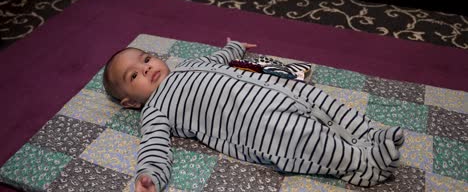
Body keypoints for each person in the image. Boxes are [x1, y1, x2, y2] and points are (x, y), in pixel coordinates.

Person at [103, 38, 404, 192]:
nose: (146, 68)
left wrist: (234, 47)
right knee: (307, 139)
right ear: (130, 103)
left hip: (278, 88)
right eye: (134, 76)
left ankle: (368, 134)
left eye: (146, 58)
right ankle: (364, 164)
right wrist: (151, 175)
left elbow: (218, 58)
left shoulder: (186, 64)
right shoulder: (155, 109)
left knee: (326, 102)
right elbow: (155, 146)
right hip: (260, 126)